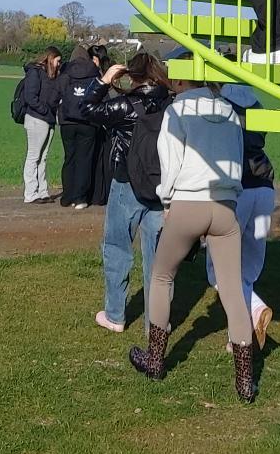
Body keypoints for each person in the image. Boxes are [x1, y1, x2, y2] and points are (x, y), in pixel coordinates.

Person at [127, 76, 258, 404]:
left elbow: (170, 164)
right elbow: (237, 160)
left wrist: (167, 201)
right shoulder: (229, 111)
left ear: (184, 79)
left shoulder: (177, 111)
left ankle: (155, 360)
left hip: (188, 201)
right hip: (225, 205)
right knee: (232, 289)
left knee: (161, 275)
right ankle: (244, 380)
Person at [83, 51, 171, 332]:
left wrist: (105, 81)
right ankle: (156, 324)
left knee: (117, 248)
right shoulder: (171, 105)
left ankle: (115, 314)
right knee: (158, 260)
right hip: (161, 187)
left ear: (131, 75)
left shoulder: (125, 105)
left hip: (127, 182)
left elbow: (85, 109)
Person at [207, 83, 276, 346]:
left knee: (218, 270)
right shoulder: (258, 104)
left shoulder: (220, 105)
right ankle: (236, 337)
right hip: (265, 188)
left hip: (237, 190)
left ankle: (256, 309)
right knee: (248, 269)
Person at [56, 43, 107, 209]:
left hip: (67, 122)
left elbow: (57, 94)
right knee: (84, 159)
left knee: (69, 158)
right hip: (88, 122)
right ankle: (80, 198)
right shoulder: (94, 73)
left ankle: (67, 196)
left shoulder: (65, 74)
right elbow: (102, 95)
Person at [18, 46, 62, 203]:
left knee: (43, 158)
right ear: (51, 58)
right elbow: (31, 97)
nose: (59, 64)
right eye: (58, 60)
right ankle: (30, 193)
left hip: (48, 119)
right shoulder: (35, 73)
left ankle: (42, 191)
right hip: (37, 119)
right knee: (33, 156)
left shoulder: (50, 75)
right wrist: (45, 110)